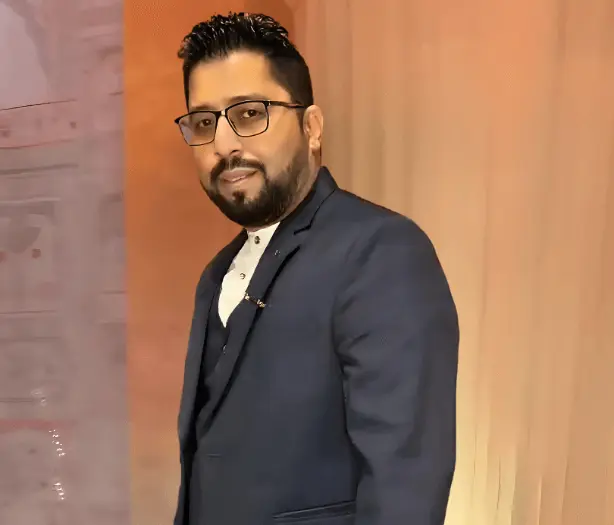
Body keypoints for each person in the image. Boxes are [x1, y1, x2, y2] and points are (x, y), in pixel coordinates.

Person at [172, 12, 459, 525]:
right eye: (204, 122)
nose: (224, 144)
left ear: (312, 127)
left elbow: (404, 487)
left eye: (249, 113)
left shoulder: (380, 252)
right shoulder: (215, 274)